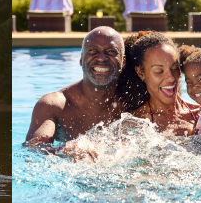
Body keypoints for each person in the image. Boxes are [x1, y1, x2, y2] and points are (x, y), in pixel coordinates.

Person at [24, 27, 125, 161]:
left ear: (123, 61)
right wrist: (66, 150)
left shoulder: (134, 102)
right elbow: (33, 149)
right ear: (81, 58)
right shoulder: (55, 104)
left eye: (111, 51)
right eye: (93, 50)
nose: (101, 58)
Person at [118, 32, 200, 136]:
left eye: (174, 68)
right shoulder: (134, 124)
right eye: (159, 71)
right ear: (140, 73)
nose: (171, 78)